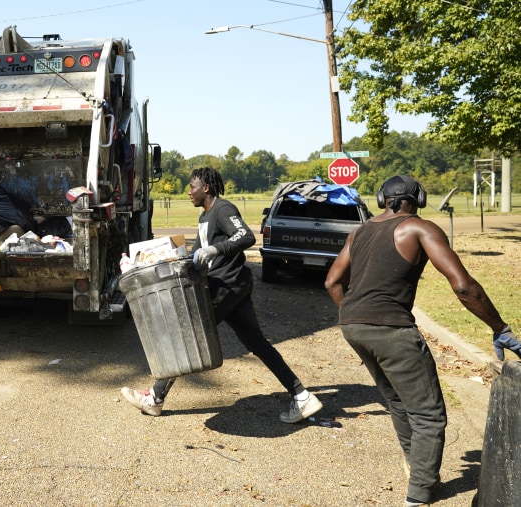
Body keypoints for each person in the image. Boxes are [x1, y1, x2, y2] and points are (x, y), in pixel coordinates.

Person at [324, 175, 521, 507]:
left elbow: (332, 281)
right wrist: (499, 327)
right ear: (419, 197)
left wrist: (359, 320)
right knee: (429, 415)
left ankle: (416, 467)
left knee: (400, 403)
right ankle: (418, 496)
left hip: (353, 325)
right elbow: (463, 286)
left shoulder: (360, 232)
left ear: (382, 198)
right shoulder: (420, 228)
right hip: (392, 330)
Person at [121, 167, 323, 424]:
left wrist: (216, 249)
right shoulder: (205, 216)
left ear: (205, 187)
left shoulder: (223, 209)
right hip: (231, 287)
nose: (188, 192)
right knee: (257, 343)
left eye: (192, 187)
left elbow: (246, 236)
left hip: (228, 285)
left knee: (188, 333)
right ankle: (302, 396)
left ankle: (155, 398)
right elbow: (195, 253)